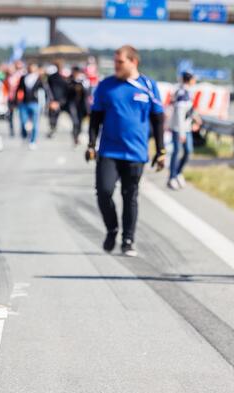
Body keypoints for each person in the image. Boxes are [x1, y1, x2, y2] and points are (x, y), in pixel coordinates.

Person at [86, 45, 166, 257]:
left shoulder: (148, 86)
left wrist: (161, 150)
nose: (116, 66)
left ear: (133, 62)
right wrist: (91, 144)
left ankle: (128, 239)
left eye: (120, 62)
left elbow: (158, 119)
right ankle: (112, 228)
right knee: (104, 192)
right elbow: (96, 118)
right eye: (115, 62)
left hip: (135, 152)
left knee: (130, 196)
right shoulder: (106, 86)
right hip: (109, 151)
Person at [168, 71, 201, 190]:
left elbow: (190, 110)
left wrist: (196, 119)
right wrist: (181, 132)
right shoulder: (182, 92)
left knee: (188, 151)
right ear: (190, 79)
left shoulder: (189, 92)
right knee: (176, 152)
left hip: (186, 127)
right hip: (179, 128)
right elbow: (180, 113)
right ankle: (172, 177)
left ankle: (178, 172)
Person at [15, 62, 49, 150]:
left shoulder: (39, 78)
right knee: (23, 122)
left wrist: (48, 101)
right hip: (24, 103)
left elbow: (46, 90)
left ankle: (33, 141)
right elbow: (18, 89)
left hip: (35, 103)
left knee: (35, 123)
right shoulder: (23, 78)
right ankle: (25, 135)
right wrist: (15, 101)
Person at [66, 66, 89, 147]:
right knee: (75, 121)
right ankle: (75, 137)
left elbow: (87, 93)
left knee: (80, 122)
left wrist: (82, 84)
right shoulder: (70, 80)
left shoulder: (84, 81)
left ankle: (77, 135)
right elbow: (67, 91)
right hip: (72, 104)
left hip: (81, 105)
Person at [46, 61, 69, 139]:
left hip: (58, 99)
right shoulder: (53, 77)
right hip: (55, 99)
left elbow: (66, 89)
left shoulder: (63, 77)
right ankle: (53, 128)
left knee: (54, 115)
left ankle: (53, 128)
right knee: (53, 115)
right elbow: (48, 89)